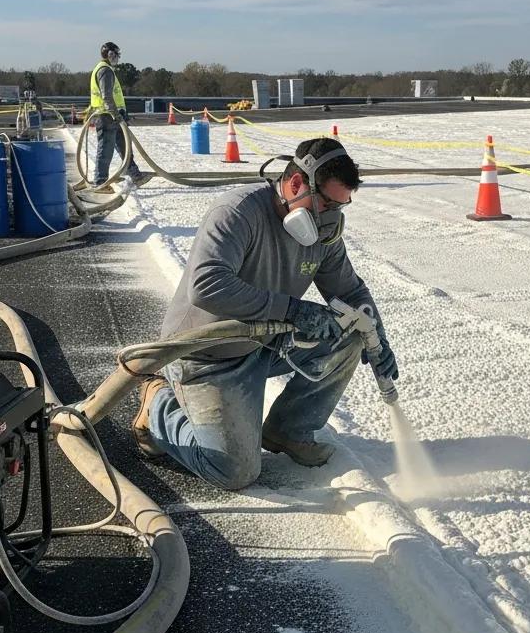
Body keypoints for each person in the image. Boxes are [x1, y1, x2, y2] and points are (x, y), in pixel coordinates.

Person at [131, 137, 398, 491]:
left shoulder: (322, 234)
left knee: (349, 334)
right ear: (297, 183)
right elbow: (206, 285)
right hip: (206, 354)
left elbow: (350, 294)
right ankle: (158, 405)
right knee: (234, 470)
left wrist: (377, 339)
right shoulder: (239, 212)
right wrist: (292, 310)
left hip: (264, 343)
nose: (331, 217)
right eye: (326, 203)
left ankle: (287, 430)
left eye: (340, 206)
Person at [89, 41, 150, 187]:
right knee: (106, 150)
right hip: (107, 116)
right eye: (116, 55)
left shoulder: (106, 69)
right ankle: (100, 181)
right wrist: (116, 115)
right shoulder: (105, 71)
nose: (118, 58)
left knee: (124, 146)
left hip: (113, 116)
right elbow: (106, 97)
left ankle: (134, 174)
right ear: (110, 54)